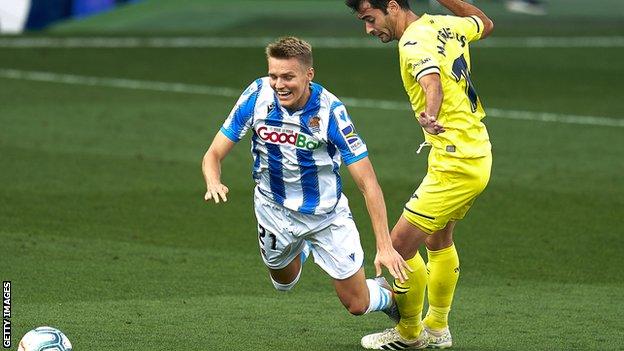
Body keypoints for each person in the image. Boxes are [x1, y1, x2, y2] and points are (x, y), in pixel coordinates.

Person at [202, 37, 412, 330]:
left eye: (288, 76)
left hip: (325, 216)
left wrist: (384, 245)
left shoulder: (330, 113)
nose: (279, 84)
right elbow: (213, 154)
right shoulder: (256, 95)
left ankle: (387, 297)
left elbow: (368, 183)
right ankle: (298, 248)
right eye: (274, 75)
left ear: (308, 75)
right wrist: (214, 180)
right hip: (272, 210)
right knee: (283, 283)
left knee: (357, 305)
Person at [345, 0, 494, 349]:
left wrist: (430, 112)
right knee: (438, 240)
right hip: (475, 153)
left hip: (455, 165)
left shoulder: (412, 42)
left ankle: (409, 333)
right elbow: (484, 24)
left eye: (371, 19)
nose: (369, 29)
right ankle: (438, 328)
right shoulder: (445, 24)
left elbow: (432, 82)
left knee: (397, 246)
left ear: (392, 6)